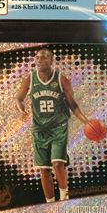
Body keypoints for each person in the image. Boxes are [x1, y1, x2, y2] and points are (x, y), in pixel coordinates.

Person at [16, 48, 91, 203]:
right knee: (44, 170)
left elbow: (72, 105)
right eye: (37, 57)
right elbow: (19, 99)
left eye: (43, 58)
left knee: (57, 164)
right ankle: (49, 203)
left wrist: (86, 121)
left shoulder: (62, 79)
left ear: (51, 60)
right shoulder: (30, 79)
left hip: (58, 128)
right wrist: (21, 109)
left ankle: (64, 197)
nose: (39, 60)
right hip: (40, 130)